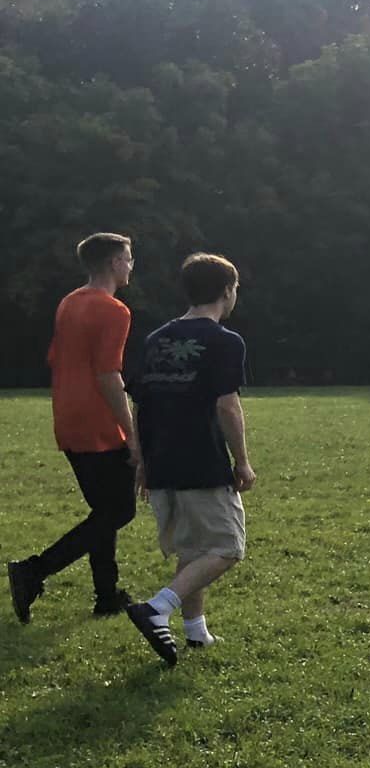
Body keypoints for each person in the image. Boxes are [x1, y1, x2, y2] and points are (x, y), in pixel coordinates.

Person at [123, 253, 254, 666]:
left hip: (161, 459)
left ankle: (196, 632)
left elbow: (140, 404)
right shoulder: (225, 341)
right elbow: (227, 406)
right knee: (227, 547)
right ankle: (156, 608)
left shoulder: (156, 338)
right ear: (227, 291)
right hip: (202, 459)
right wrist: (242, 461)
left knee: (194, 548)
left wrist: (143, 459)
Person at [9, 233, 142, 626]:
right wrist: (131, 433)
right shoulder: (114, 310)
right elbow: (108, 375)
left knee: (105, 511)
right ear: (115, 262)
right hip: (99, 423)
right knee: (119, 510)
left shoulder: (69, 302)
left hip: (68, 418)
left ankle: (107, 595)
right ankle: (34, 570)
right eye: (129, 259)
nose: (131, 266)